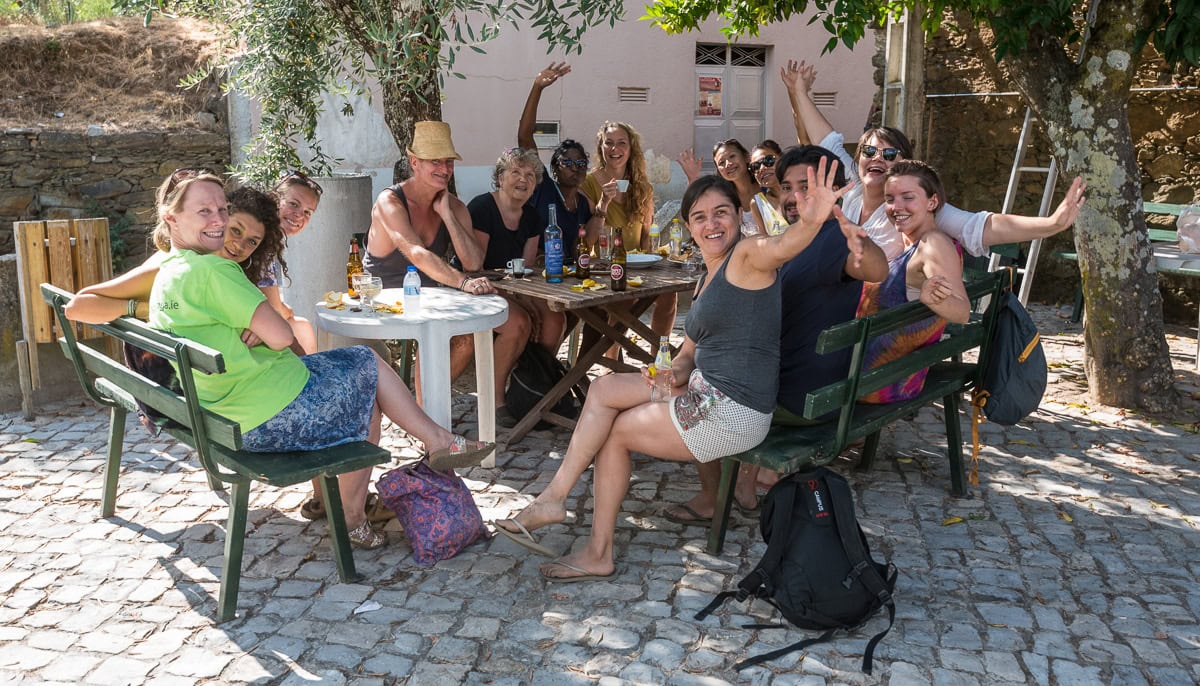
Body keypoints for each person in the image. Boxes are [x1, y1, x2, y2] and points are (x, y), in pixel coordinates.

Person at [496, 161, 854, 581]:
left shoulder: (747, 257)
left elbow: (781, 247)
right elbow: (689, 352)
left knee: (613, 432)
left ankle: (586, 537)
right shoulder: (708, 276)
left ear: (739, 216)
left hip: (733, 411)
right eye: (699, 217)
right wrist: (672, 370)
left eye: (721, 212)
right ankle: (560, 505)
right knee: (605, 388)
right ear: (688, 226)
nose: (711, 223)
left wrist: (811, 220)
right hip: (706, 392)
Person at [135, 171, 492, 550]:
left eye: (221, 210)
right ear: (171, 217)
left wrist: (258, 325)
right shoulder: (214, 270)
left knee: (363, 364)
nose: (219, 221)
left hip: (233, 407)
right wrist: (264, 326)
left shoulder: (172, 268)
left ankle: (346, 497)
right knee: (365, 387)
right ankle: (360, 509)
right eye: (204, 211)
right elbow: (281, 336)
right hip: (262, 417)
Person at [666, 145, 890, 522]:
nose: (793, 196)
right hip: (811, 384)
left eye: (807, 187)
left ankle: (716, 494)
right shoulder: (798, 240)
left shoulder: (834, 238)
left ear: (834, 192)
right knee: (699, 367)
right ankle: (739, 484)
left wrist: (862, 240)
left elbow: (876, 270)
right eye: (787, 187)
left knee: (694, 381)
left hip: (800, 397)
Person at [783, 59, 1087, 262]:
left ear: (902, 166)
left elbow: (980, 225)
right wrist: (798, 91)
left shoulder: (909, 205)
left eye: (889, 155)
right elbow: (826, 139)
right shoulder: (847, 187)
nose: (877, 158)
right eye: (870, 152)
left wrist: (1050, 224)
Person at [363, 120, 499, 389]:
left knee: (466, 335)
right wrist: (462, 283)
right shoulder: (389, 201)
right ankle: (426, 414)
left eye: (449, 162)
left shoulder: (454, 206)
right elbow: (416, 253)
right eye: (435, 161)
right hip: (383, 294)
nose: (444, 169)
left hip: (428, 295)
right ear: (414, 162)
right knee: (433, 330)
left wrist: (447, 215)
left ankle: (429, 405)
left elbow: (473, 262)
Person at [66, 172, 288, 326]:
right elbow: (77, 306)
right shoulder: (169, 266)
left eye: (252, 242)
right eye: (236, 230)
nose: (239, 245)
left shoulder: (213, 269)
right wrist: (146, 308)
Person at [856, 160, 971, 402]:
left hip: (875, 380)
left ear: (932, 201)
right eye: (889, 199)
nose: (896, 207)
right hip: (884, 371)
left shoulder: (933, 244)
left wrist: (936, 301)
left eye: (907, 197)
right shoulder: (909, 242)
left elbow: (962, 312)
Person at [468, 147, 568, 426]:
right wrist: (516, 298)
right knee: (518, 323)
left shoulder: (533, 217)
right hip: (475, 287)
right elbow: (476, 266)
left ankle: (527, 386)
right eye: (515, 172)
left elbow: (525, 270)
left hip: (512, 287)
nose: (523, 179)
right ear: (500, 178)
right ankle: (495, 398)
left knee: (554, 318)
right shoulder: (482, 208)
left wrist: (531, 299)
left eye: (530, 176)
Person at [581, 121, 676, 340]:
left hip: (636, 263)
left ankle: (658, 355)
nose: (615, 149)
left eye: (621, 143)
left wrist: (650, 265)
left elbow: (645, 236)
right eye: (609, 143)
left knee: (669, 293)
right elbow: (586, 242)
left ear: (631, 148)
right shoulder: (588, 184)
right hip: (603, 266)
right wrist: (604, 202)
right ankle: (610, 364)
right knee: (621, 299)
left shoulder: (642, 186)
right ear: (601, 148)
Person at [517, 63, 605, 258]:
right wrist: (537, 87)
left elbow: (579, 248)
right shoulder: (543, 186)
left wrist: (602, 208)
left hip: (566, 276)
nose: (576, 168)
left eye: (581, 164)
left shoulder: (582, 204)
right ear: (555, 169)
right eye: (568, 163)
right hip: (536, 273)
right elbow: (524, 136)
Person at [255, 171, 323, 354]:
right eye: (293, 204)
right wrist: (285, 311)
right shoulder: (261, 241)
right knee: (301, 328)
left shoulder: (270, 238)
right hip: (251, 334)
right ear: (274, 200)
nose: (299, 215)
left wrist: (285, 310)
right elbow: (274, 308)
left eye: (308, 212)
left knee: (301, 325)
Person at [679, 140, 763, 235]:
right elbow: (696, 209)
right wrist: (692, 178)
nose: (728, 164)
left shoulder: (766, 187)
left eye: (732, 156)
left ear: (747, 157)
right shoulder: (723, 196)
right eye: (721, 162)